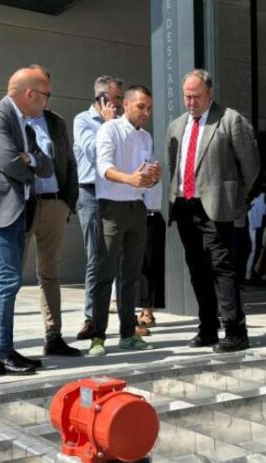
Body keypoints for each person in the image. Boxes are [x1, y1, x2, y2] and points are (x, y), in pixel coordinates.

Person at [0, 66, 55, 376]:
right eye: (45, 96)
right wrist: (26, 161)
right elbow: (10, 163)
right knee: (7, 281)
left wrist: (29, 159)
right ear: (30, 93)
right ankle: (0, 354)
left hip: (16, 210)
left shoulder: (25, 126)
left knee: (10, 281)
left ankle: (2, 350)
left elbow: (45, 166)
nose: (47, 103)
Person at [167, 69, 260, 352]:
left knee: (223, 267)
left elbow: (251, 166)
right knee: (197, 269)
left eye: (196, 96)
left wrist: (233, 196)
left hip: (218, 207)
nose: (191, 102)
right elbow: (175, 167)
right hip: (185, 206)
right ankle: (207, 328)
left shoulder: (230, 120)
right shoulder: (177, 126)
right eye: (187, 96)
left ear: (210, 94)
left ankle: (235, 330)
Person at [88, 85, 162, 356]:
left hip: (137, 209)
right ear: (127, 105)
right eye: (141, 106)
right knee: (105, 273)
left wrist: (154, 174)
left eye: (149, 108)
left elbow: (148, 171)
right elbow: (103, 167)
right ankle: (97, 336)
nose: (146, 112)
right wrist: (130, 178)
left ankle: (128, 333)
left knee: (131, 275)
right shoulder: (109, 130)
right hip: (112, 209)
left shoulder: (145, 138)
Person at [22, 89, 81, 357]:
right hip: (24, 205)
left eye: (48, 93)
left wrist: (68, 200)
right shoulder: (14, 120)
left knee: (50, 272)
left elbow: (68, 159)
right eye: (42, 92)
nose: (46, 98)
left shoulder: (56, 121)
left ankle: (53, 335)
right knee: (11, 275)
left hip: (55, 203)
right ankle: (3, 344)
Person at [73, 76, 125, 341]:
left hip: (117, 192)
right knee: (96, 256)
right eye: (116, 99)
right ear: (102, 99)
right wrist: (108, 125)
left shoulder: (121, 122)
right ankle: (91, 319)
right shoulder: (83, 121)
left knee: (121, 256)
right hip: (92, 192)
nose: (120, 104)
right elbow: (94, 151)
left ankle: (128, 317)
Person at [137, 172, 166, 330]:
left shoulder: (151, 167)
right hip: (130, 216)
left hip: (149, 216)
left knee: (150, 266)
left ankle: (148, 310)